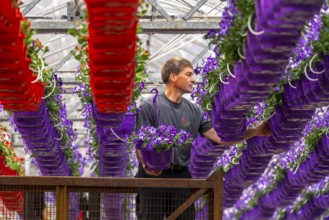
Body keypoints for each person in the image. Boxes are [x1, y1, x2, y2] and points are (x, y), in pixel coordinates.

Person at [135, 57, 271, 219]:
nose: (193, 79)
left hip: (181, 176)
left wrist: (255, 131)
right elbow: (140, 143)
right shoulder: (150, 106)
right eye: (188, 74)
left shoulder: (195, 110)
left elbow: (220, 137)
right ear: (173, 77)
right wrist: (146, 164)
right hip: (151, 177)